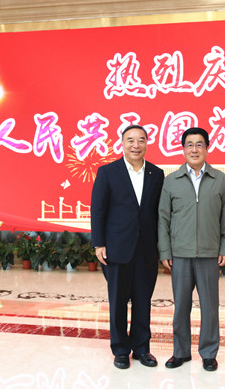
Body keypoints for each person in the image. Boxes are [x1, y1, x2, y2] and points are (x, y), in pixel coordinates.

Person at [157, 127, 225, 372]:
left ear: (207, 148)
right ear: (183, 149)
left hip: (209, 255)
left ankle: (209, 354)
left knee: (210, 308)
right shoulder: (171, 181)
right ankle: (180, 352)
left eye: (199, 144)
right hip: (180, 255)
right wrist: (165, 251)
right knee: (181, 306)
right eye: (189, 144)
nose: (194, 149)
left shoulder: (220, 179)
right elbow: (163, 219)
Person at [90, 125, 164, 369]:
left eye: (141, 140)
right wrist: (99, 243)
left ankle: (142, 348)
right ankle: (120, 349)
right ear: (122, 144)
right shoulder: (108, 172)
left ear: (146, 144)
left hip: (146, 249)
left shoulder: (156, 174)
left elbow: (159, 213)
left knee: (143, 301)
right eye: (130, 140)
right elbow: (98, 210)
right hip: (116, 247)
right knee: (118, 301)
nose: (136, 145)